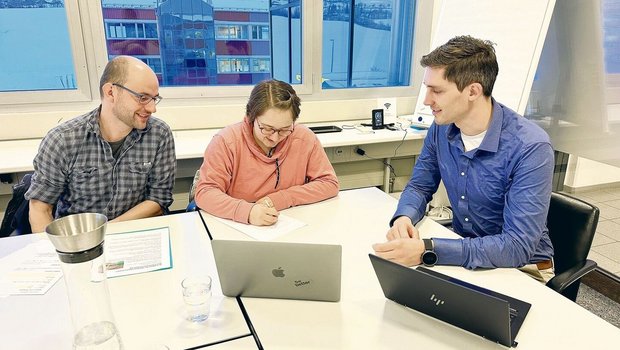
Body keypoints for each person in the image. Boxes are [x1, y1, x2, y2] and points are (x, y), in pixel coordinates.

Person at [372, 36, 555, 283]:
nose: (427, 101)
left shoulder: (530, 147)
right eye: (427, 89)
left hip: (523, 269)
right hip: (466, 256)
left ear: (473, 91)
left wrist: (429, 248)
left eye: (436, 91)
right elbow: (419, 185)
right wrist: (404, 217)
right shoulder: (441, 128)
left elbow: (517, 246)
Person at [25, 56, 176, 232]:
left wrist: (104, 232)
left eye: (154, 98)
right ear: (110, 92)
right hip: (78, 238)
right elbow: (40, 209)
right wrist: (55, 252)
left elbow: (159, 199)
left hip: (135, 233)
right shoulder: (62, 140)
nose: (152, 108)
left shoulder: (159, 134)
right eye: (142, 97)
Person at [194, 79, 339, 226]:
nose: (275, 138)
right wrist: (247, 212)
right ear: (251, 117)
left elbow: (329, 183)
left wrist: (283, 198)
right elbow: (205, 192)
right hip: (237, 225)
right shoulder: (226, 142)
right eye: (267, 128)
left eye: (284, 130)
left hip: (289, 222)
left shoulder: (303, 138)